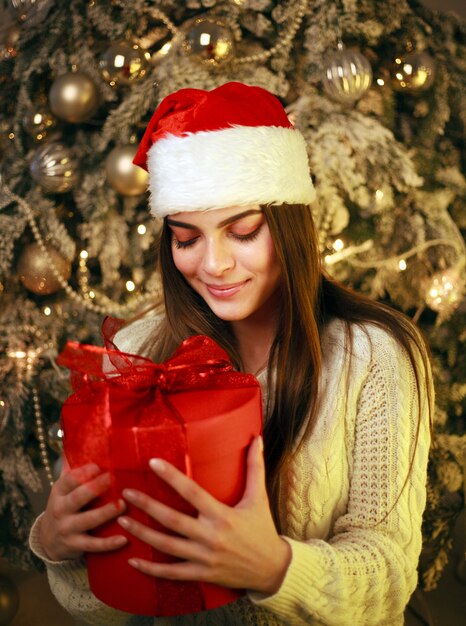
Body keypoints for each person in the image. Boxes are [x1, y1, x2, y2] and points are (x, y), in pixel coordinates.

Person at [30, 82, 433, 626]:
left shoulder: (375, 357)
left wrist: (274, 568)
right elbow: (97, 608)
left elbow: (388, 584)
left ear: (288, 226)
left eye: (242, 230)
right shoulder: (132, 353)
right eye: (186, 238)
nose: (213, 264)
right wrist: (59, 546)